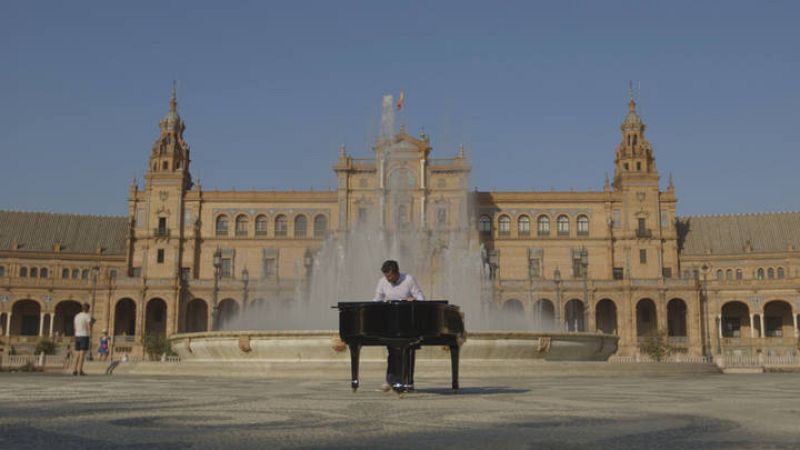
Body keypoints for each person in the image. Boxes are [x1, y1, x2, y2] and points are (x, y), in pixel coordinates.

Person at [372, 260, 424, 392]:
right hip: (390, 321)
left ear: (396, 272)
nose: (388, 279)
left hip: (407, 321)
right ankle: (391, 380)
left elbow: (421, 298)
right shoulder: (382, 282)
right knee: (391, 351)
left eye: (390, 276)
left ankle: (407, 381)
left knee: (407, 351)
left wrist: (413, 300)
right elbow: (377, 299)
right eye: (386, 276)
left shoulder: (408, 279)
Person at [72, 302, 92, 376]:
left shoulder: (77, 316)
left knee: (77, 353)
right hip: (84, 335)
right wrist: (90, 333)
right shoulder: (87, 316)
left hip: (77, 335)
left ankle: (74, 369)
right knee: (82, 354)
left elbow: (74, 326)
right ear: (88, 309)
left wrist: (76, 334)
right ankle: (80, 370)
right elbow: (89, 326)